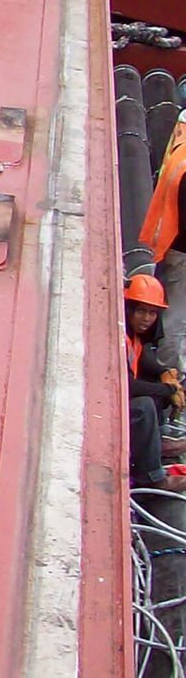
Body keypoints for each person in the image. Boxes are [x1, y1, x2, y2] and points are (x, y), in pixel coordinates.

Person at [126, 275, 186, 489]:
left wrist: (164, 373)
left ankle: (158, 442)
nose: (147, 318)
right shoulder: (119, 335)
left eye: (152, 312)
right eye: (141, 311)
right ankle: (152, 477)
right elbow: (126, 386)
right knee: (144, 406)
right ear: (130, 309)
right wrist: (165, 389)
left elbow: (142, 357)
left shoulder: (133, 334)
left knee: (159, 386)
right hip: (108, 410)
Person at [142, 118, 186, 371]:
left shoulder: (180, 151)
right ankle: (172, 372)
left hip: (170, 245)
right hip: (180, 252)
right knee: (177, 320)